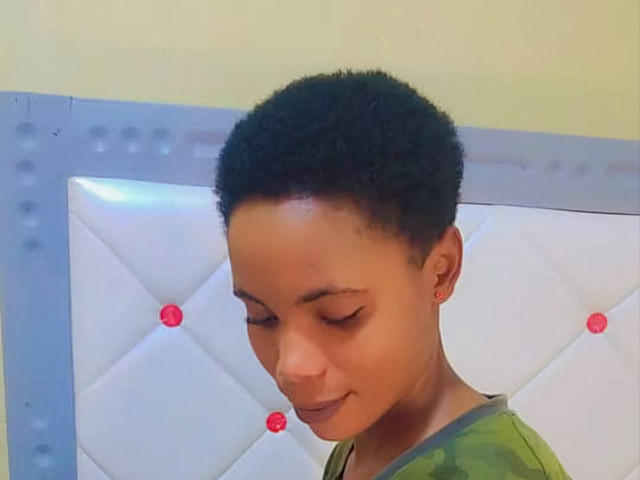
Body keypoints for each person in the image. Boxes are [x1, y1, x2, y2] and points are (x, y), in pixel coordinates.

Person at [213, 70, 572, 479]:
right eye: (261, 317)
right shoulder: (366, 438)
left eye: (340, 315)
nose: (291, 367)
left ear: (440, 271)